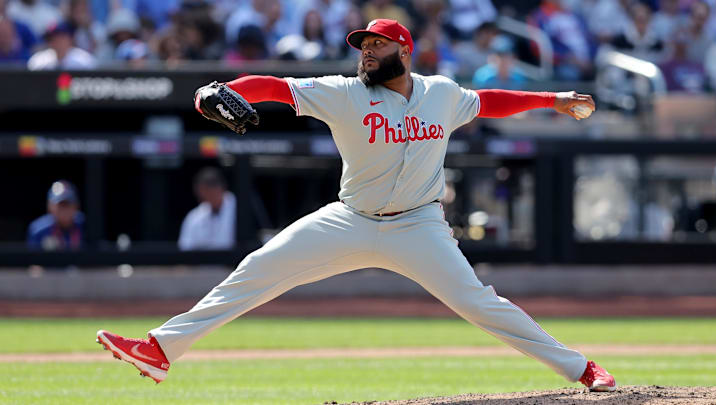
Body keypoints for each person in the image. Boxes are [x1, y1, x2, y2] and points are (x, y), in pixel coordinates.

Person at [96, 19, 616, 393]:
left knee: (481, 304)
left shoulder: (441, 93)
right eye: (362, 44)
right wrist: (224, 89)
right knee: (258, 269)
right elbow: (276, 87)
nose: (365, 51)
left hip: (419, 226)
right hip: (350, 219)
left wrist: (551, 99)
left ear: (403, 51)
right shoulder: (344, 92)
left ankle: (582, 368)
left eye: (376, 44)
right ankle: (161, 350)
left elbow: (490, 100)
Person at [177, 167, 236, 251]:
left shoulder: (240, 209)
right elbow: (185, 249)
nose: (202, 196)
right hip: (202, 263)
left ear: (219, 188)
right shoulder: (194, 216)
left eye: (206, 191)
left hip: (237, 262)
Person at [27, 180, 84, 251]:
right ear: (50, 206)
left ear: (76, 206)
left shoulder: (86, 226)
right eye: (60, 205)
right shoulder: (38, 230)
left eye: (67, 205)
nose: (64, 210)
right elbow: (33, 260)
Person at [27, 20, 96, 70]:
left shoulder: (84, 61)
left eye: (61, 38)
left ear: (70, 39)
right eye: (53, 39)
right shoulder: (38, 61)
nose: (57, 42)